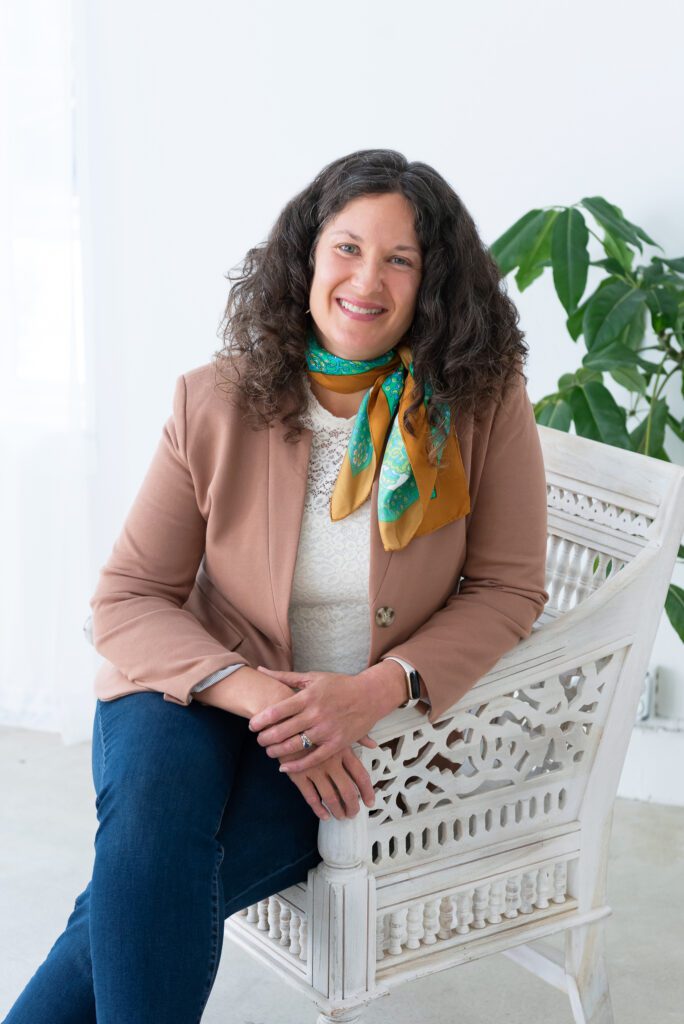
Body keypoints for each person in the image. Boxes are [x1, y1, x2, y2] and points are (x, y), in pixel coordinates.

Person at [2, 148, 549, 1023]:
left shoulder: (482, 402)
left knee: (144, 883)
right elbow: (129, 595)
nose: (366, 280)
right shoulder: (214, 399)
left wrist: (373, 693)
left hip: (363, 734)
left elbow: (509, 588)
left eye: (400, 259)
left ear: (433, 282)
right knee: (153, 819)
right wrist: (260, 696)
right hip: (198, 689)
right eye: (346, 247)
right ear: (305, 258)